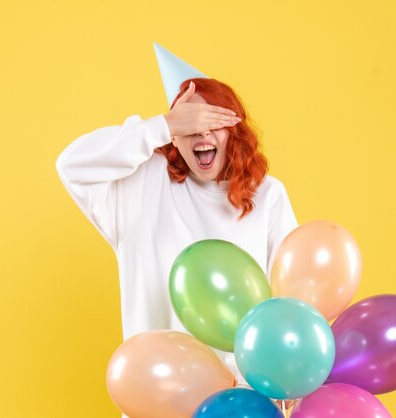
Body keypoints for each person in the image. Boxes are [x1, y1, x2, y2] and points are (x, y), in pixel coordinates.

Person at [55, 77, 299, 395]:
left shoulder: (267, 195)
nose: (202, 133)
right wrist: (162, 124)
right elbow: (71, 164)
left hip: (239, 399)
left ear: (234, 130)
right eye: (191, 123)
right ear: (174, 135)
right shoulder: (140, 186)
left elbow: (289, 299)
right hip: (155, 397)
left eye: (214, 120)